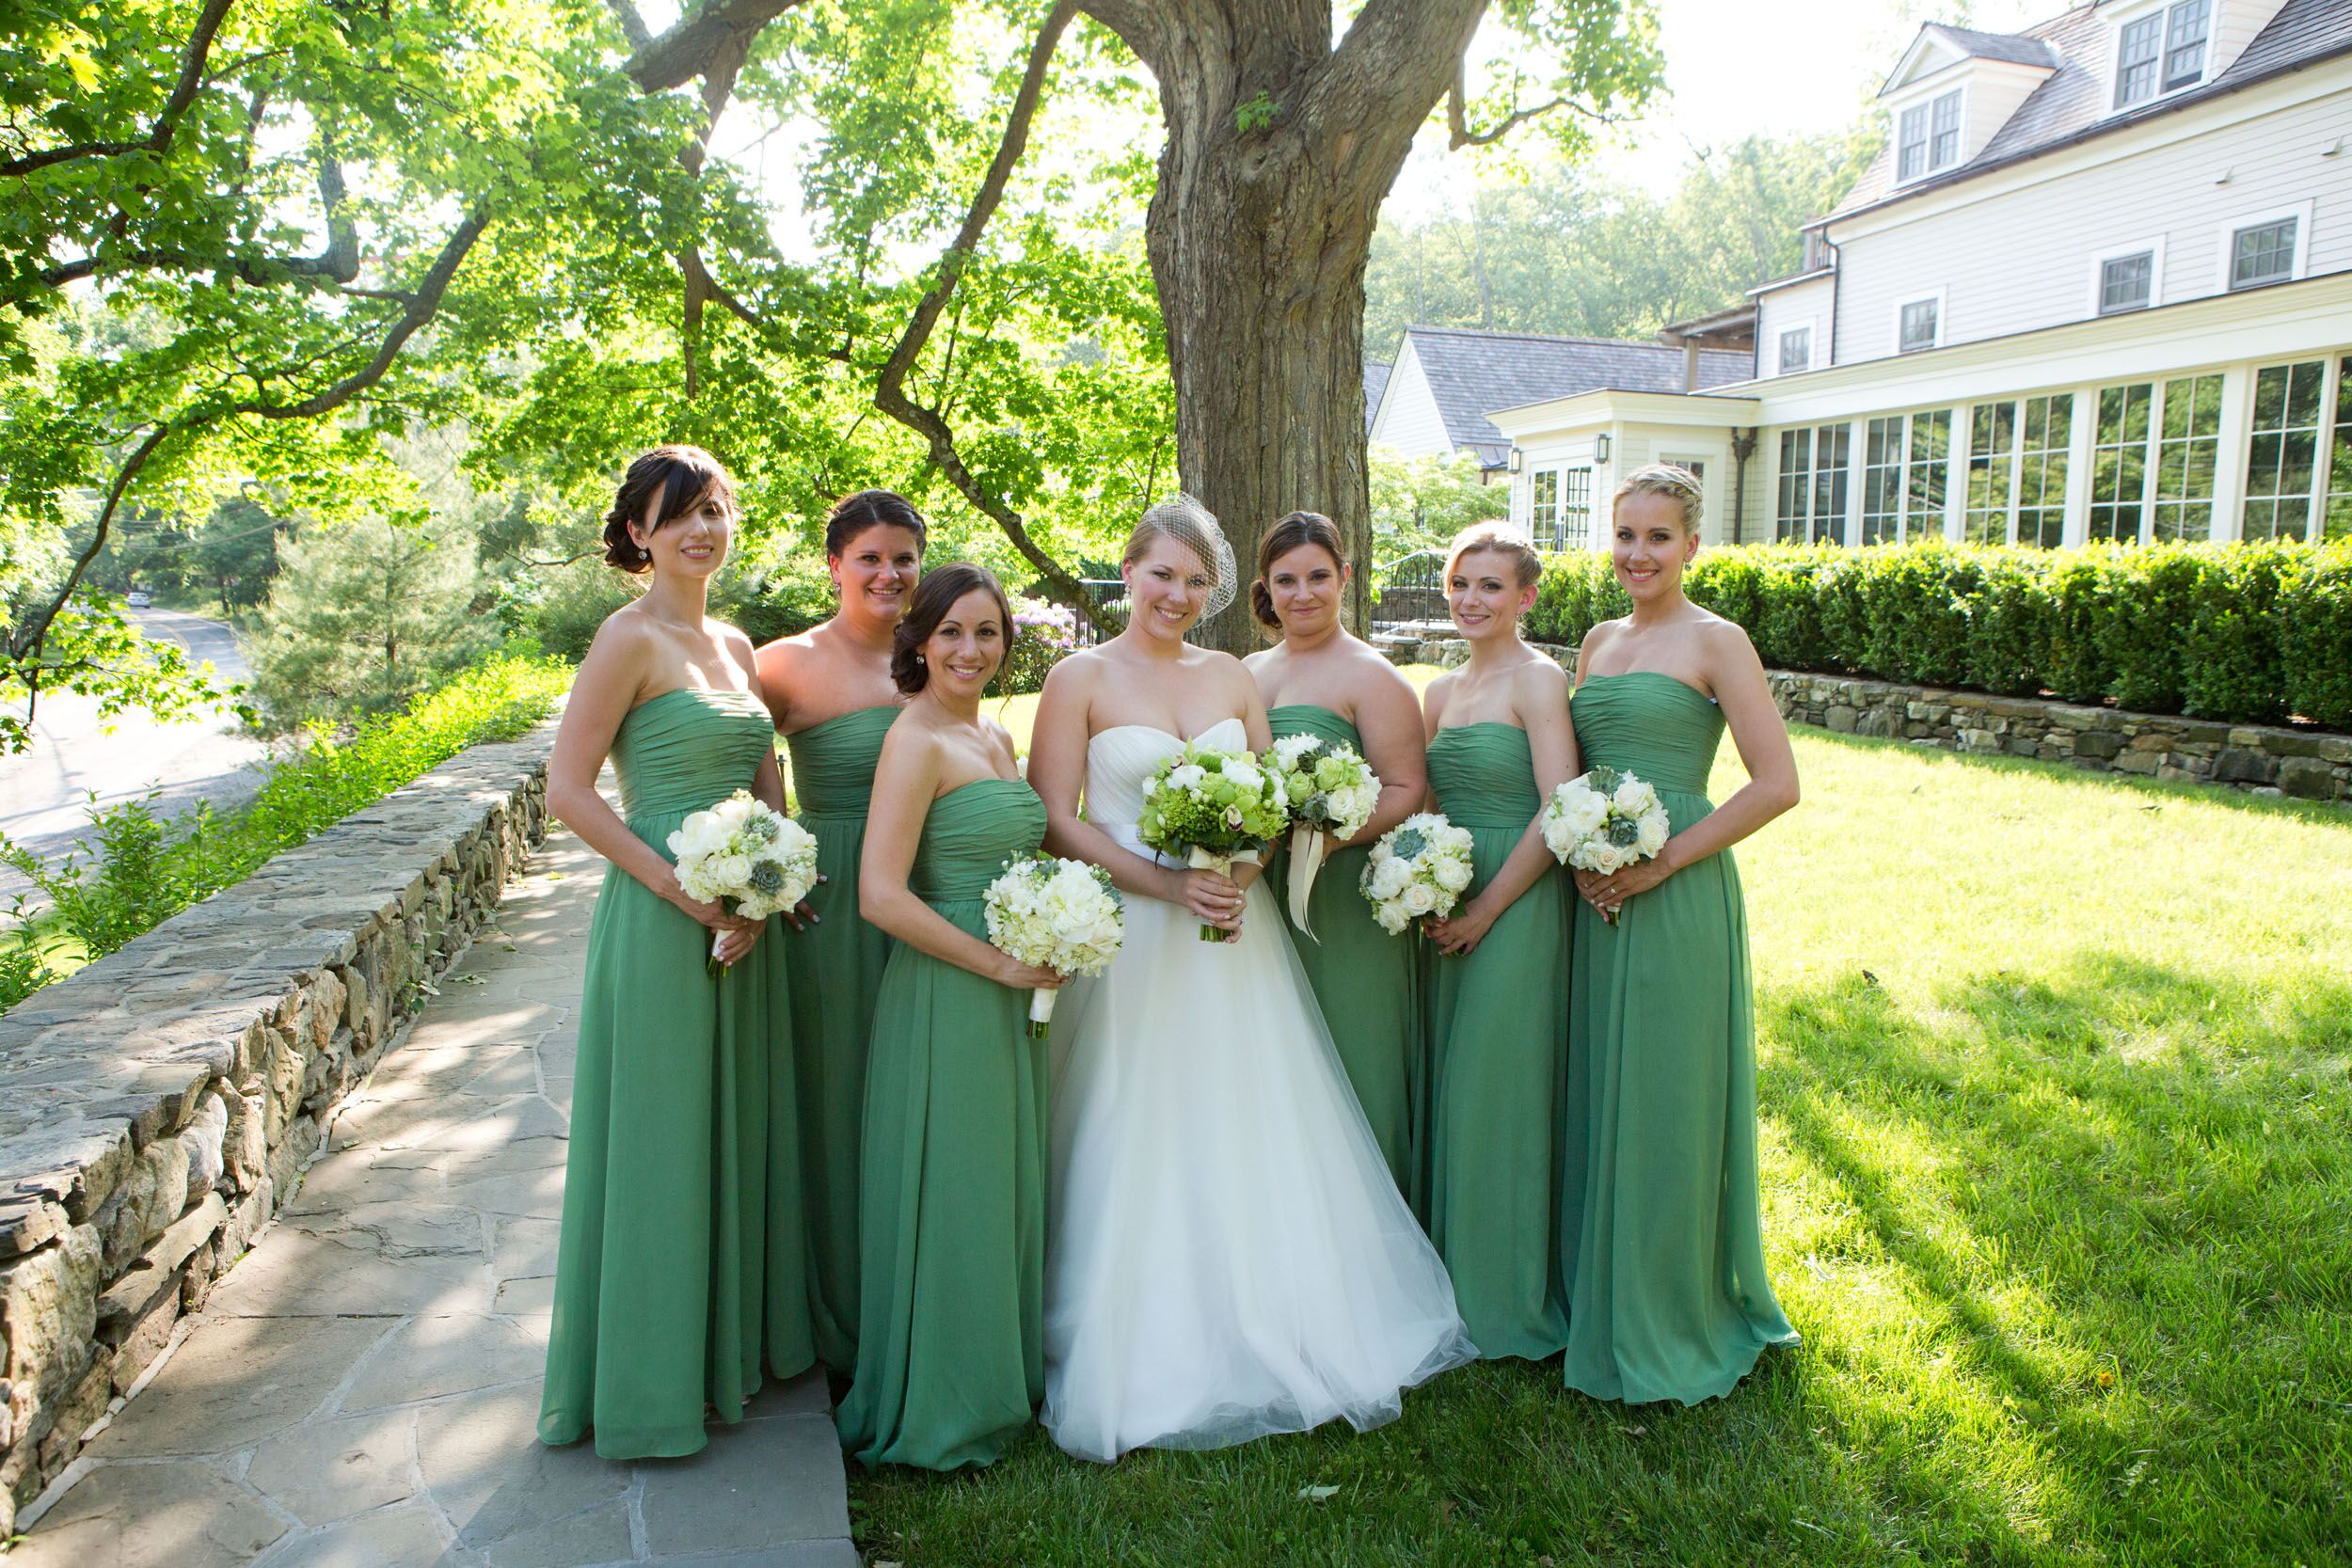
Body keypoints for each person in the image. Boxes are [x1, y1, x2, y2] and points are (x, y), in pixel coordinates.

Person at [1027, 495, 1474, 1464]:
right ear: (1129, 570)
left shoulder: (1231, 673)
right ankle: (1137, 1328)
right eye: (1161, 574)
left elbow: (1267, 799)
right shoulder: (1079, 677)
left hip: (1236, 930)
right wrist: (1163, 882)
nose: (1177, 595)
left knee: (1248, 1114)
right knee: (1134, 1118)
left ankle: (1281, 1309)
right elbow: (1056, 814)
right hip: (1135, 935)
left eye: (1196, 581)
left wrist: (1236, 875)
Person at [539, 444, 812, 1458]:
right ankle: (650, 1383)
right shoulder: (627, 638)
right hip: (663, 914)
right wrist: (683, 893)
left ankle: (723, 1353)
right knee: (662, 1142)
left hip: (746, 913)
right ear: (639, 534)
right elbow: (568, 790)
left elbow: (761, 765)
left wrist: (776, 872)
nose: (702, 527)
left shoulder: (737, 645)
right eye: (678, 513)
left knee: (732, 1126)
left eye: (715, 507)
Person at [1561, 464, 1801, 1403]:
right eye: (1624, 534)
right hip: (1594, 895)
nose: (1637, 553)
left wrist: (1659, 864)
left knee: (1666, 1098)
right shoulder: (1596, 639)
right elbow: (1581, 770)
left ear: (1692, 545)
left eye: (1657, 536)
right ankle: (1598, 1287)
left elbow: (1774, 782)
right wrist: (1585, 854)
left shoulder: (1716, 639)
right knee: (1600, 1087)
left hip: (1678, 889)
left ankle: (1669, 1303)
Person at [833, 564, 1063, 1469]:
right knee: (957, 1180)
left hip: (1014, 984)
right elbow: (881, 896)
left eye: (988, 632)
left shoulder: (998, 737)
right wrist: (1001, 962)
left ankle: (1001, 1373)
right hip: (950, 986)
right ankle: (946, 1397)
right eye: (952, 632)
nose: (971, 650)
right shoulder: (916, 739)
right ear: (918, 641)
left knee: (1001, 1175)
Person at [755, 491, 925, 1373]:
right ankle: (844, 1304)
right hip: (835, 904)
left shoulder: (936, 653)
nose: (889, 574)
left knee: (922, 1093)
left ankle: (920, 1290)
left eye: (904, 557)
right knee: (842, 1094)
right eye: (871, 557)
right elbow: (739, 759)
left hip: (932, 889)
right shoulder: (784, 664)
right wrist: (770, 854)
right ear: (834, 566)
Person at [1418, 523, 1578, 1362]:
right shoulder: (1439, 694)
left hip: (1517, 902)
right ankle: (1445, 1276)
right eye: (1460, 583)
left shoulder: (1538, 681)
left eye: (1490, 585)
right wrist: (1428, 884)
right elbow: (1430, 806)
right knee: (1454, 1085)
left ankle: (1505, 1296)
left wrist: (1485, 910)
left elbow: (1559, 808)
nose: (1471, 600)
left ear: (1525, 596)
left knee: (1499, 1089)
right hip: (1448, 903)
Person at [1243, 512, 1429, 1200]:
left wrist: (1321, 837)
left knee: (1353, 1054)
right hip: (1262, 898)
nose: (1303, 593)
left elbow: (1408, 787)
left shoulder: (1372, 676)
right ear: (1266, 586)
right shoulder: (1247, 670)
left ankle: (1373, 1222)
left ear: (1346, 577)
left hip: (1343, 898)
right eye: (1286, 580)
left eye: (1319, 576)